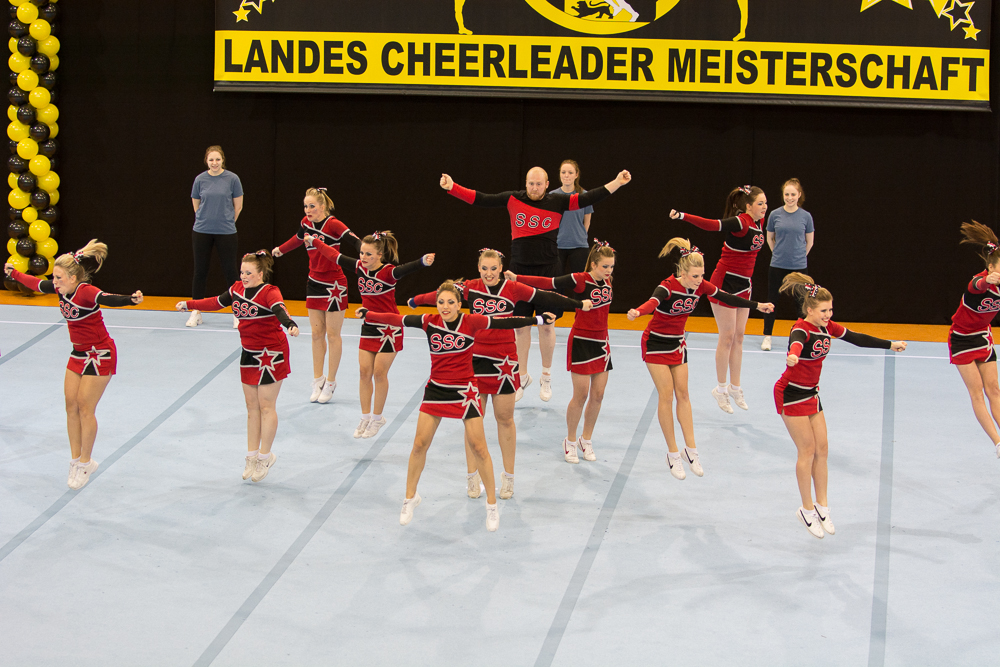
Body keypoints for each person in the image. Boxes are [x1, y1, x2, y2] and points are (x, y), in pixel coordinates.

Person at [359, 282, 555, 531]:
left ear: (459, 304)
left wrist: (538, 320)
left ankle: (491, 505)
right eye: (441, 302)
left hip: (465, 391)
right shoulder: (429, 321)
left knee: (479, 448)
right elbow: (396, 319)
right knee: (419, 444)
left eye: (451, 302)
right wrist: (369, 314)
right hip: (437, 390)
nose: (445, 307)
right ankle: (410, 498)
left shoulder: (471, 322)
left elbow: (506, 323)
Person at [408, 248, 590, 500]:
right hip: (474, 362)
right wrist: (416, 300)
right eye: (484, 268)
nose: (489, 273)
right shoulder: (470, 287)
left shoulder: (513, 288)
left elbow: (545, 295)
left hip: (504, 362)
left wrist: (578, 304)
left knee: (505, 419)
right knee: (473, 421)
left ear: (501, 269)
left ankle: (509, 477)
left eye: (494, 269)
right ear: (478, 268)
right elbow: (440, 295)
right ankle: (472, 476)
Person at [440, 166, 631, 403]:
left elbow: (589, 197)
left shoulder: (558, 201)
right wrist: (453, 188)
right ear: (526, 183)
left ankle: (546, 376)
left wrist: (617, 182)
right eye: (531, 183)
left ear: (547, 184)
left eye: (539, 184)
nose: (534, 188)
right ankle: (522, 376)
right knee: (521, 327)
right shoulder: (513, 199)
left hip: (548, 269)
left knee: (547, 325)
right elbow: (482, 199)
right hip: (518, 271)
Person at [627, 238, 773, 480]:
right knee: (666, 395)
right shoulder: (667, 287)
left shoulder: (702, 286)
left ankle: (691, 451)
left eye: (702, 275)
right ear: (682, 273)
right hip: (655, 343)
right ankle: (673, 453)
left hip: (677, 343)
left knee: (683, 394)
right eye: (695, 276)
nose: (699, 280)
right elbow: (653, 303)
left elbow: (727, 297)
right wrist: (637, 312)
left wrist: (756, 305)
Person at [5, 240, 143, 490]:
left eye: (58, 278)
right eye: (54, 277)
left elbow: (107, 298)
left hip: (100, 353)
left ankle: (87, 462)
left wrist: (130, 300)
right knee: (70, 405)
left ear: (72, 277)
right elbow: (35, 284)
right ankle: (75, 460)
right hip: (78, 353)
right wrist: (13, 273)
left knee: (85, 407)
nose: (54, 282)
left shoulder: (85, 291)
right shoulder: (61, 289)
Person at [775, 273, 906, 539]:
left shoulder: (827, 327)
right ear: (809, 310)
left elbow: (856, 337)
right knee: (807, 451)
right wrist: (793, 356)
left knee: (822, 449)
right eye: (824, 311)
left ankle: (822, 506)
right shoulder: (801, 329)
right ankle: (806, 509)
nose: (828, 314)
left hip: (812, 393)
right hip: (791, 394)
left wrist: (890, 344)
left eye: (830, 310)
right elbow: (796, 343)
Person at [176, 250, 299, 483]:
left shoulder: (269, 292)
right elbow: (216, 302)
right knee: (251, 407)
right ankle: (251, 456)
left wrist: (290, 324)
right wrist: (189, 304)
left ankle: (265, 456)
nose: (243, 276)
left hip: (272, 354)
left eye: (248, 273)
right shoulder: (236, 290)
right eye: (242, 272)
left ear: (260, 274)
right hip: (249, 353)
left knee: (266, 406)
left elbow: (279, 310)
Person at [303, 231, 434, 438]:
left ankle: (377, 417)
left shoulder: (388, 272)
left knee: (379, 373)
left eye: (369, 254)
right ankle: (365, 417)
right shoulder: (359, 268)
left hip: (389, 328)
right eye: (362, 253)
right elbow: (334, 255)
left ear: (380, 255)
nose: (363, 257)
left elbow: (406, 268)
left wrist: (422, 262)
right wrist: (314, 241)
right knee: (364, 372)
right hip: (369, 326)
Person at [506, 239, 615, 464]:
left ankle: (586, 439)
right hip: (582, 342)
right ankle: (570, 441)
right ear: (593, 264)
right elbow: (549, 283)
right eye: (605, 266)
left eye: (611, 266)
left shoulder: (608, 282)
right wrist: (519, 278)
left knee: (598, 395)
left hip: (602, 343)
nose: (608, 270)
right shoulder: (580, 279)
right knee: (581, 395)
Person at [670, 185, 767, 413]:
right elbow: (711, 224)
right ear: (748, 206)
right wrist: (683, 216)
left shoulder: (759, 222)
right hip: (725, 282)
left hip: (744, 284)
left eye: (765, 203)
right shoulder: (741, 222)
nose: (764, 207)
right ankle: (721, 389)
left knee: (739, 337)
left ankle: (735, 387)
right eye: (760, 203)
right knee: (727, 337)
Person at [272, 187, 361, 404]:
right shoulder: (305, 223)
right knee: (315, 334)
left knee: (333, 335)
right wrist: (281, 249)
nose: (308, 210)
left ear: (323, 206)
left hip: (334, 285)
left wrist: (367, 255)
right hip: (314, 282)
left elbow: (355, 241)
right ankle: (318, 379)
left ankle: (330, 381)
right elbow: (297, 239)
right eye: (305, 206)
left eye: (312, 206)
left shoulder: (333, 224)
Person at [950, 221, 1000, 458]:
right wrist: (987, 280)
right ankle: (998, 443)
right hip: (961, 340)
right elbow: (975, 285)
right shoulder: (979, 282)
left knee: (995, 390)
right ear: (990, 267)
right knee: (977, 392)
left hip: (982, 337)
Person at [761, 178, 814, 351]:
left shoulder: (806, 216)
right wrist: (778, 253)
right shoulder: (775, 214)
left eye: (793, 194)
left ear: (799, 195)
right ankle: (767, 336)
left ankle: (803, 337)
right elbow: (769, 238)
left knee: (801, 302)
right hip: (777, 265)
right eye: (786, 194)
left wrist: (799, 257)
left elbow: (809, 242)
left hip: (799, 266)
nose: (789, 197)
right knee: (772, 301)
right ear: (783, 195)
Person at [553, 159, 594, 274]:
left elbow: (587, 221)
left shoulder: (584, 196)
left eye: (570, 172)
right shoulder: (552, 196)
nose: (566, 175)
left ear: (576, 175)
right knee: (555, 280)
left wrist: (581, 236)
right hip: (557, 245)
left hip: (579, 245)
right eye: (563, 172)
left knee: (580, 280)